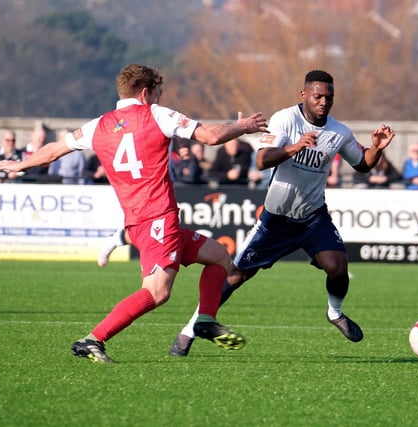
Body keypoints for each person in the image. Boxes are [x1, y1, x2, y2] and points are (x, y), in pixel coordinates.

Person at [0, 63, 268, 363]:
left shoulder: (99, 125)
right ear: (146, 92)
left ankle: (204, 320)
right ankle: (93, 339)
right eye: (158, 94)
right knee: (157, 292)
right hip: (157, 220)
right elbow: (211, 137)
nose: (160, 100)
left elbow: (55, 149)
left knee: (218, 256)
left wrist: (20, 165)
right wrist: (241, 127)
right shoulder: (157, 115)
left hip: (141, 223)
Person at [168, 69, 396, 357]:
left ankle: (335, 312)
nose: (324, 102)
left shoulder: (339, 132)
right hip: (275, 220)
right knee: (234, 276)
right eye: (318, 96)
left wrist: (376, 148)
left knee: (338, 267)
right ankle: (190, 330)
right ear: (304, 95)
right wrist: (295, 146)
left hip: (313, 217)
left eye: (329, 97)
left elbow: (363, 165)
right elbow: (262, 160)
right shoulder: (285, 120)